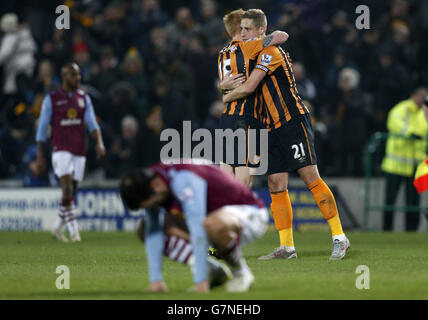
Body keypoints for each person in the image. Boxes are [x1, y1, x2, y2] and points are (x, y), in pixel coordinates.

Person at [223, 9, 349, 260]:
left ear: (261, 30)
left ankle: (339, 237)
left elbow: (248, 87)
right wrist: (222, 85)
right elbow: (232, 75)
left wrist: (225, 97)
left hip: (292, 121)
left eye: (248, 29)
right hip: (269, 127)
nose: (243, 32)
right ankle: (287, 247)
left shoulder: (272, 53)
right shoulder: (250, 50)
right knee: (275, 184)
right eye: (241, 28)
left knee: (310, 177)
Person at [119, 161, 269, 292]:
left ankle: (240, 273)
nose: (153, 207)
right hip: (213, 218)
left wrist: (200, 282)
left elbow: (198, 229)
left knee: (211, 224)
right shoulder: (152, 182)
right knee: (144, 228)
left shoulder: (182, 180)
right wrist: (156, 281)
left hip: (249, 213)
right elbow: (152, 229)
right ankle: (212, 270)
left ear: (156, 186)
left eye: (151, 203)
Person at [35, 63, 106, 242]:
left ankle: (58, 227)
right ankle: (75, 233)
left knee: (71, 192)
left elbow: (91, 123)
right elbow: (42, 128)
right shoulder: (51, 99)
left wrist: (99, 142)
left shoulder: (84, 98)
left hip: (79, 150)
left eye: (79, 74)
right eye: (74, 75)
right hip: (60, 149)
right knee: (66, 188)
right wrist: (40, 155)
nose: (78, 78)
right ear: (65, 77)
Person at [217, 9, 288, 186]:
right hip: (247, 115)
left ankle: (226, 210)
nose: (246, 31)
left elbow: (226, 83)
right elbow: (281, 36)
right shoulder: (248, 47)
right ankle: (240, 209)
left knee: (226, 172)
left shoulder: (223, 53)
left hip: (227, 117)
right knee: (245, 174)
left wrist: (221, 87)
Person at [135, 217, 232, 291]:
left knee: (192, 258)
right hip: (197, 244)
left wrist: (192, 238)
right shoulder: (166, 235)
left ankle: (204, 281)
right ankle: (218, 270)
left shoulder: (167, 238)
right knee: (194, 257)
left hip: (196, 244)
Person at [381, 87, 428, 231]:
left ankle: (411, 231)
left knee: (413, 202)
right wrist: (411, 133)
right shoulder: (403, 108)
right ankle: (386, 230)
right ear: (413, 95)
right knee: (390, 200)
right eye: (421, 96)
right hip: (395, 165)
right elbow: (394, 123)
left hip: (415, 165)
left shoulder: (423, 112)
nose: (422, 99)